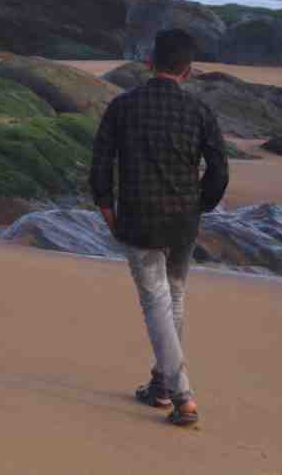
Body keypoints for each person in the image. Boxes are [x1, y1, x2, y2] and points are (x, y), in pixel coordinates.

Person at [90, 28, 228, 429]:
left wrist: (105, 207)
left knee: (156, 303)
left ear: (150, 62)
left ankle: (182, 396)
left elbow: (101, 163)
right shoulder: (200, 113)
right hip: (182, 221)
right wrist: (199, 205)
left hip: (139, 217)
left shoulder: (123, 106)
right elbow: (219, 170)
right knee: (175, 298)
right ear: (188, 70)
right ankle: (162, 385)